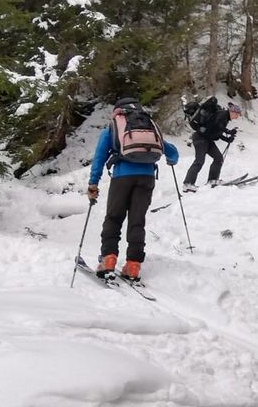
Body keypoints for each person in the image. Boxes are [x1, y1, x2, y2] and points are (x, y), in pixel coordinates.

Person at [87, 97, 179, 281]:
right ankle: (133, 265)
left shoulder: (114, 127)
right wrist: (171, 160)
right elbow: (172, 152)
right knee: (137, 221)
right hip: (147, 178)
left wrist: (93, 184)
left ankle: (108, 259)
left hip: (122, 177)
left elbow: (99, 158)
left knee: (114, 218)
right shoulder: (149, 126)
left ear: (118, 111)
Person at [182, 96, 242, 190]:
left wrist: (227, 139)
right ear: (232, 112)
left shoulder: (224, 117)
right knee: (199, 161)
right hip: (200, 138)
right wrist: (228, 132)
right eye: (237, 114)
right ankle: (187, 184)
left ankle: (213, 180)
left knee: (218, 158)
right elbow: (217, 126)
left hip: (207, 139)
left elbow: (215, 131)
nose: (238, 116)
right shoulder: (223, 114)